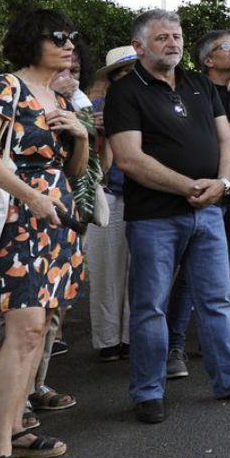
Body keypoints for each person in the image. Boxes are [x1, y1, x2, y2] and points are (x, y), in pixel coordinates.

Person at [105, 8, 230, 425]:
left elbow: (226, 138)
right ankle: (148, 391)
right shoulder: (126, 92)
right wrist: (189, 187)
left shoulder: (200, 84)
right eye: (162, 37)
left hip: (211, 211)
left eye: (177, 36)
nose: (173, 43)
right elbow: (129, 159)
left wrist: (222, 181)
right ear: (139, 46)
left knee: (217, 300)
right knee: (150, 305)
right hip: (154, 217)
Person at [0, 11, 89, 458]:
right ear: (31, 41)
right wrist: (31, 196)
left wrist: (82, 135)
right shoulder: (6, 87)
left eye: (72, 38)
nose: (69, 45)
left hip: (56, 222)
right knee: (22, 330)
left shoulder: (59, 97)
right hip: (19, 221)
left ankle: (20, 429)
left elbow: (75, 171)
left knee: (40, 329)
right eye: (57, 38)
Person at [164, 29, 230, 377]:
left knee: (225, 272)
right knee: (189, 275)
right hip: (208, 192)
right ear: (209, 59)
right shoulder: (195, 88)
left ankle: (217, 343)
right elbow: (203, 135)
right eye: (229, 47)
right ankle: (174, 347)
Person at [85, 45, 138, 361]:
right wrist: (91, 129)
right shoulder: (93, 109)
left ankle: (133, 337)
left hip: (145, 195)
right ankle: (107, 340)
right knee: (106, 269)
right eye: (124, 72)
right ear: (113, 77)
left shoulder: (153, 104)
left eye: (135, 70)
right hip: (105, 194)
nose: (130, 77)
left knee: (140, 271)